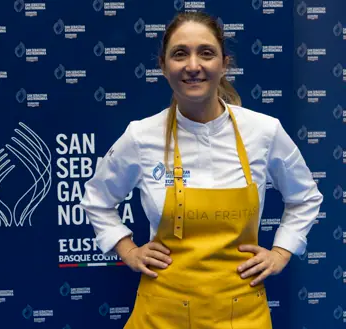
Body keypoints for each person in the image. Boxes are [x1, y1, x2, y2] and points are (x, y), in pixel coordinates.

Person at [80, 11, 323, 329]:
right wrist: (127, 249)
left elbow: (305, 197)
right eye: (180, 54)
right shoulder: (140, 136)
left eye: (206, 53)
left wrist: (281, 251)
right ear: (163, 67)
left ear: (224, 64)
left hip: (243, 314)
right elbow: (97, 199)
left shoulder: (264, 131)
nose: (193, 66)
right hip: (161, 314)